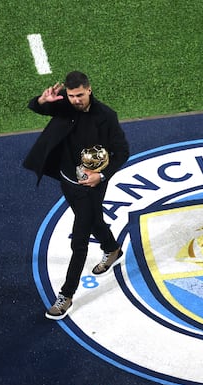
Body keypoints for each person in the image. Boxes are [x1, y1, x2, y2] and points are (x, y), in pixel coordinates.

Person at [23, 71, 130, 320]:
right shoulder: (64, 103)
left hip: (91, 187)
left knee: (78, 241)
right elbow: (36, 108)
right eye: (71, 96)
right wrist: (42, 101)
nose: (75, 100)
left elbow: (122, 151)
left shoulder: (106, 117)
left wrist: (100, 177)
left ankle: (66, 296)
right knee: (94, 221)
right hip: (67, 180)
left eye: (79, 95)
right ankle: (112, 249)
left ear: (89, 90)